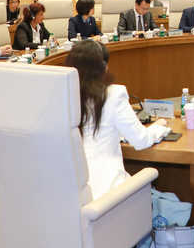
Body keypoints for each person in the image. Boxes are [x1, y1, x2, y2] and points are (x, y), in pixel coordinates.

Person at [68, 40, 170, 199]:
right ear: (104, 68)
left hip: (74, 196)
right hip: (110, 196)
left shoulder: (66, 97)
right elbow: (141, 140)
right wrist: (159, 126)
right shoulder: (114, 94)